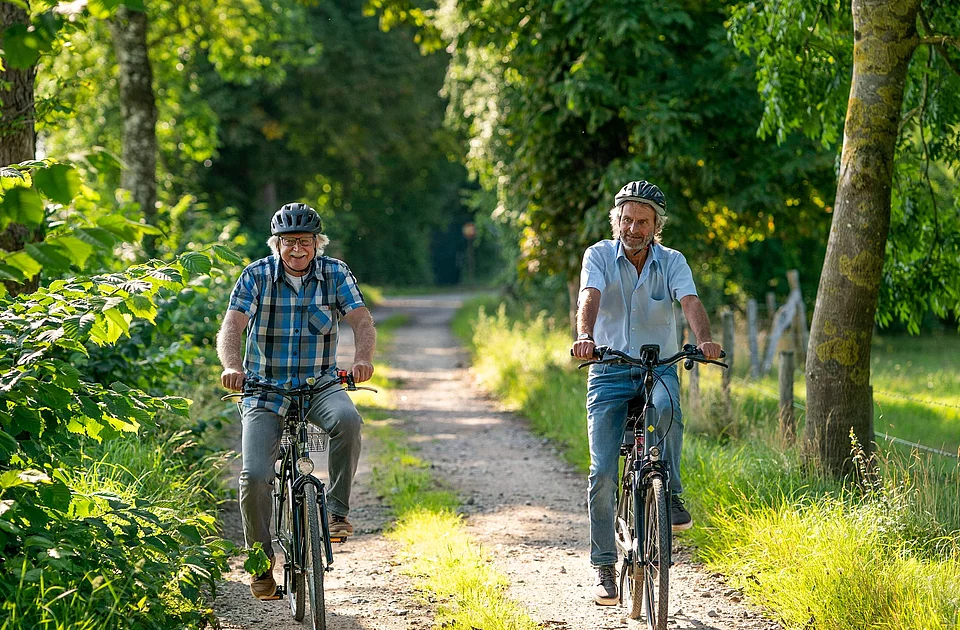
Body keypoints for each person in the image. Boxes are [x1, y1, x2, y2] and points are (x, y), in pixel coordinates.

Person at [570, 180, 722, 606]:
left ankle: (668, 494)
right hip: (609, 370)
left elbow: (690, 302)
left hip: (658, 369)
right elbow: (590, 295)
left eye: (642, 221)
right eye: (626, 219)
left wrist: (705, 340)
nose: (633, 228)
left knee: (667, 410)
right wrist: (585, 335)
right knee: (602, 473)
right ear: (616, 220)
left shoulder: (672, 261)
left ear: (657, 226)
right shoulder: (598, 255)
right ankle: (603, 564)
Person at [217, 202, 377, 600]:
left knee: (348, 421)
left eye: (305, 242)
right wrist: (232, 366)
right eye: (289, 243)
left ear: (316, 244)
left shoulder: (335, 273)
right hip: (264, 390)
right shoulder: (256, 275)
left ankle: (337, 512)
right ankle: (260, 564)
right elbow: (232, 325)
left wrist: (362, 359)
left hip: (319, 385)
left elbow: (361, 319)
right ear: (277, 245)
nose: (297, 250)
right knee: (254, 476)